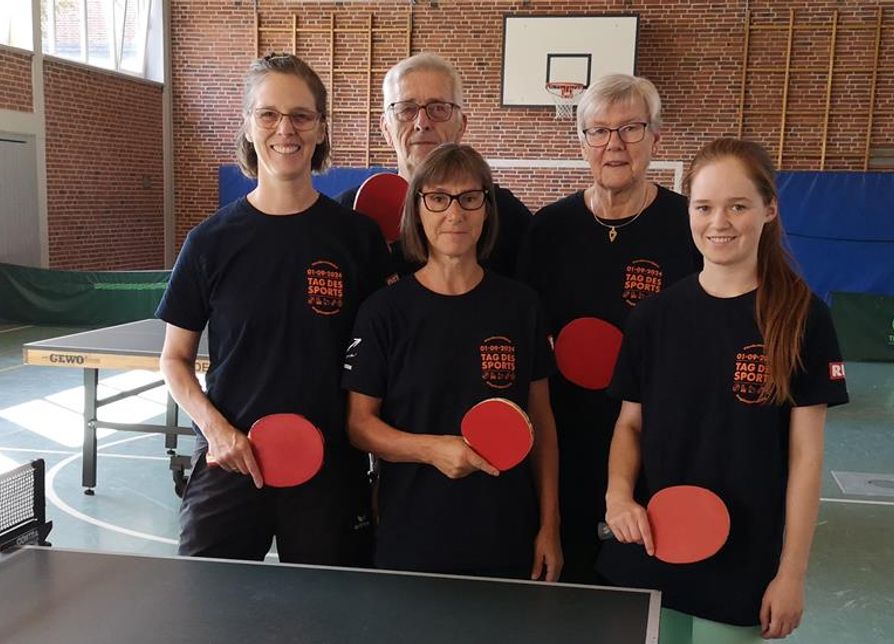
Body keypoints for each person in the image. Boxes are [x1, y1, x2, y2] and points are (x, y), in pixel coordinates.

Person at [599, 138, 849, 642]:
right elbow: (630, 424)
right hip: (647, 551)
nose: (719, 222)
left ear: (769, 209)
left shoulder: (802, 318)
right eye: (704, 206)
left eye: (738, 206)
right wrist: (618, 496)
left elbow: (805, 458)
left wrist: (791, 573)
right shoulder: (653, 317)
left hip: (741, 564)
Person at [156, 53, 394, 564]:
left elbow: (380, 363)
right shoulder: (208, 243)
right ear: (247, 125)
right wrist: (216, 431)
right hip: (231, 459)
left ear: (321, 128)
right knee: (207, 610)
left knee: (329, 622)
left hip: (331, 471)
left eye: (301, 116)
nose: (285, 129)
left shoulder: (358, 239)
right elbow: (174, 360)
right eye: (268, 114)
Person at [343, 143, 562, 580]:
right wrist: (433, 449)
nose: (454, 213)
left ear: (487, 209)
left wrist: (550, 525)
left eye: (469, 198)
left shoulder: (522, 306)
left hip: (506, 534)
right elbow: (358, 425)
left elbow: (541, 422)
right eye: (438, 198)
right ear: (418, 210)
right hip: (412, 533)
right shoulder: (383, 311)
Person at [516, 73, 701, 583]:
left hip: (654, 442)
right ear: (581, 143)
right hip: (565, 442)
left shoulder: (688, 227)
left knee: (638, 593)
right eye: (598, 131)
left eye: (631, 129)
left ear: (656, 138)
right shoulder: (549, 229)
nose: (614, 144)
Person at [336, 52, 531, 277]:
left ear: (461, 126)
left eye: (438, 108)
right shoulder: (348, 215)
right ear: (386, 128)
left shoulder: (504, 214)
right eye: (406, 109)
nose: (422, 123)